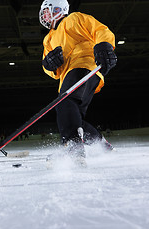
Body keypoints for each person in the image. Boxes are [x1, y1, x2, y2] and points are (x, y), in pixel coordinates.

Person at [39, 0, 117, 159]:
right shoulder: (48, 39)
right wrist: (49, 64)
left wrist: (104, 45)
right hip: (68, 76)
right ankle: (102, 145)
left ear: (58, 9)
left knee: (64, 103)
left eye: (47, 11)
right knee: (74, 119)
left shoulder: (72, 19)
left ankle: (73, 145)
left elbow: (99, 29)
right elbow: (51, 71)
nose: (44, 15)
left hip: (83, 65)